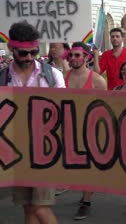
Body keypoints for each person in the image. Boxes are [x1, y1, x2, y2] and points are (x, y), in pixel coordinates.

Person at [6, 21, 65, 224]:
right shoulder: (3, 78)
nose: (30, 58)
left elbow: (66, 110)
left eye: (34, 52)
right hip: (16, 152)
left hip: (45, 150)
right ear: (11, 48)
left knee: (40, 207)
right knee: (28, 208)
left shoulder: (52, 76)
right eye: (23, 53)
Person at [61, 42, 107, 220]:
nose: (73, 58)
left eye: (77, 55)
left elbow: (106, 108)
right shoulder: (63, 77)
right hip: (69, 127)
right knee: (77, 166)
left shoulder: (97, 80)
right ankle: (86, 193)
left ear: (87, 57)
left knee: (88, 166)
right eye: (71, 55)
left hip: (91, 128)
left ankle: (86, 202)